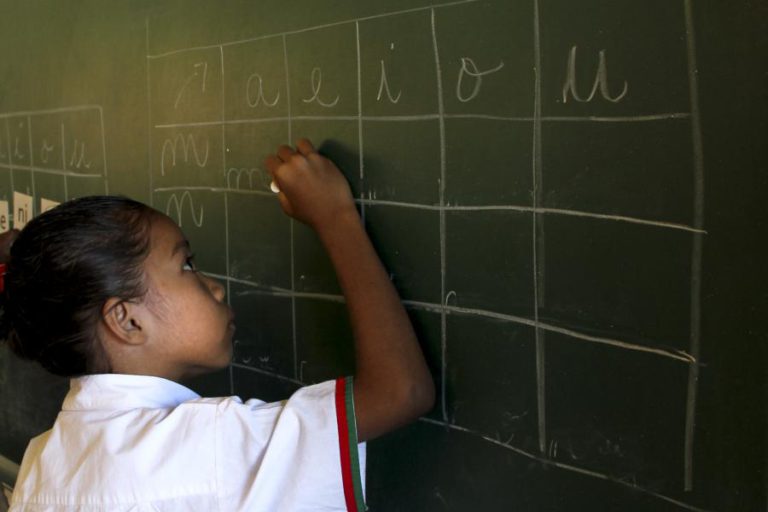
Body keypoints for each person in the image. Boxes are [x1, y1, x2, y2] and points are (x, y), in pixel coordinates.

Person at [1, 139, 434, 511]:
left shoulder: (41, 463)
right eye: (186, 265)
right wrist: (335, 216)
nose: (216, 288)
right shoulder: (201, 448)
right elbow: (401, 392)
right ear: (127, 320)